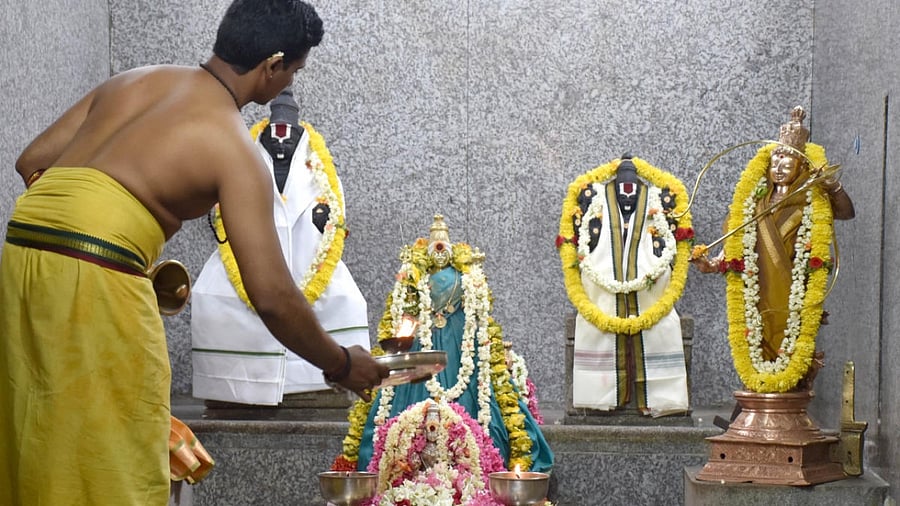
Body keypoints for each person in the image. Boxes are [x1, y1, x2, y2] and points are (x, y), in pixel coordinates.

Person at [0, 1, 388, 504]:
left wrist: (82, 227)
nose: (290, 81)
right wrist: (338, 363)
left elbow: (32, 161)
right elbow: (270, 294)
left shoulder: (133, 80)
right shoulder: (235, 148)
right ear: (272, 67)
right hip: (96, 269)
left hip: (24, 249)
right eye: (294, 70)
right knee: (111, 436)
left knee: (37, 420)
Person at [333, 215, 554, 474]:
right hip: (431, 346)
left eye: (442, 243)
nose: (439, 249)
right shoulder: (423, 272)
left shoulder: (451, 274)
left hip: (458, 349)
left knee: (481, 406)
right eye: (436, 243)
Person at [191, 88, 371, 405]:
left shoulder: (321, 167)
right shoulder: (238, 155)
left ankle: (312, 377)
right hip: (246, 268)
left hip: (311, 268)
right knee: (214, 301)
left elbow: (335, 224)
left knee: (348, 302)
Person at [691, 106, 854, 394]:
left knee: (790, 342)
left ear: (800, 168)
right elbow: (736, 247)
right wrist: (713, 264)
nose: (779, 169)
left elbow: (846, 212)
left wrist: (831, 185)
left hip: (793, 290)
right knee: (756, 337)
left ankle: (790, 392)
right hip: (757, 289)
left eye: (786, 164)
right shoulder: (752, 204)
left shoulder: (811, 200)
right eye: (774, 163)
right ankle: (758, 390)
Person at [561, 154, 692, 417]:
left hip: (650, 295)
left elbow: (675, 247)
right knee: (596, 321)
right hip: (603, 293)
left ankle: (658, 399)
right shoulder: (590, 201)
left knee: (662, 323)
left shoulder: (663, 200)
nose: (627, 194)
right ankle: (601, 397)